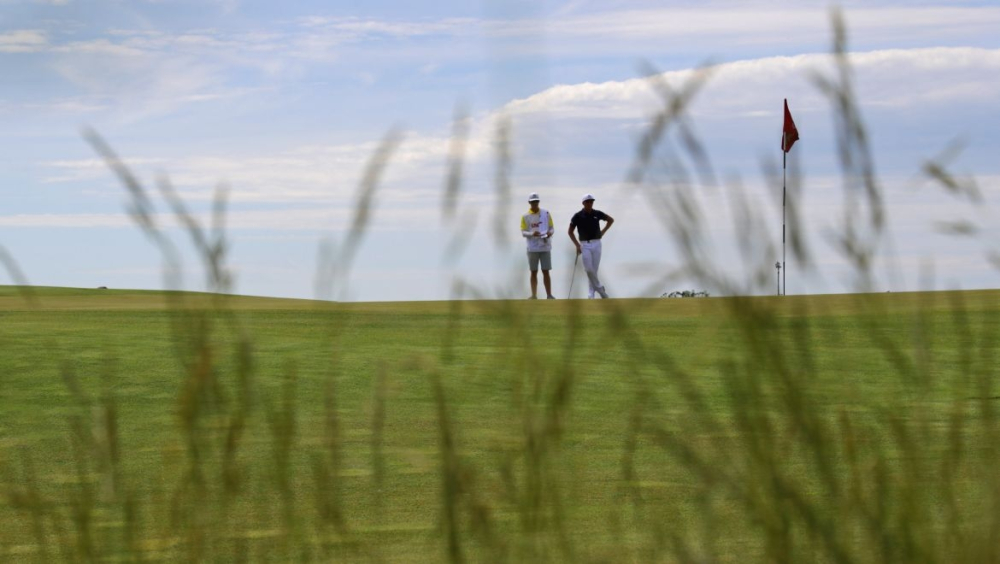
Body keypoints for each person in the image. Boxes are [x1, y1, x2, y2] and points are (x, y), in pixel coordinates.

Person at [568, 193, 614, 299]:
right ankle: (600, 289)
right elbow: (570, 232)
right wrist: (577, 245)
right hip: (584, 245)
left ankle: (591, 293)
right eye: (587, 202)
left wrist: (603, 231)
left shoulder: (597, 213)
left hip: (597, 243)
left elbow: (611, 220)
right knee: (589, 269)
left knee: (594, 270)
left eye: (591, 202)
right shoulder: (578, 216)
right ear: (583, 203)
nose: (590, 203)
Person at [521, 192, 555, 299]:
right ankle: (534, 295)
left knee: (546, 271)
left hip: (545, 246)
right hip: (532, 247)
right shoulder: (525, 216)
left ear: (538, 202)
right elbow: (523, 232)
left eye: (536, 201)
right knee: (533, 272)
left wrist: (550, 233)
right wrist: (532, 234)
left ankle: (549, 295)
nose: (534, 204)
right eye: (532, 202)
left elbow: (552, 228)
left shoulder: (546, 213)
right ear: (529, 203)